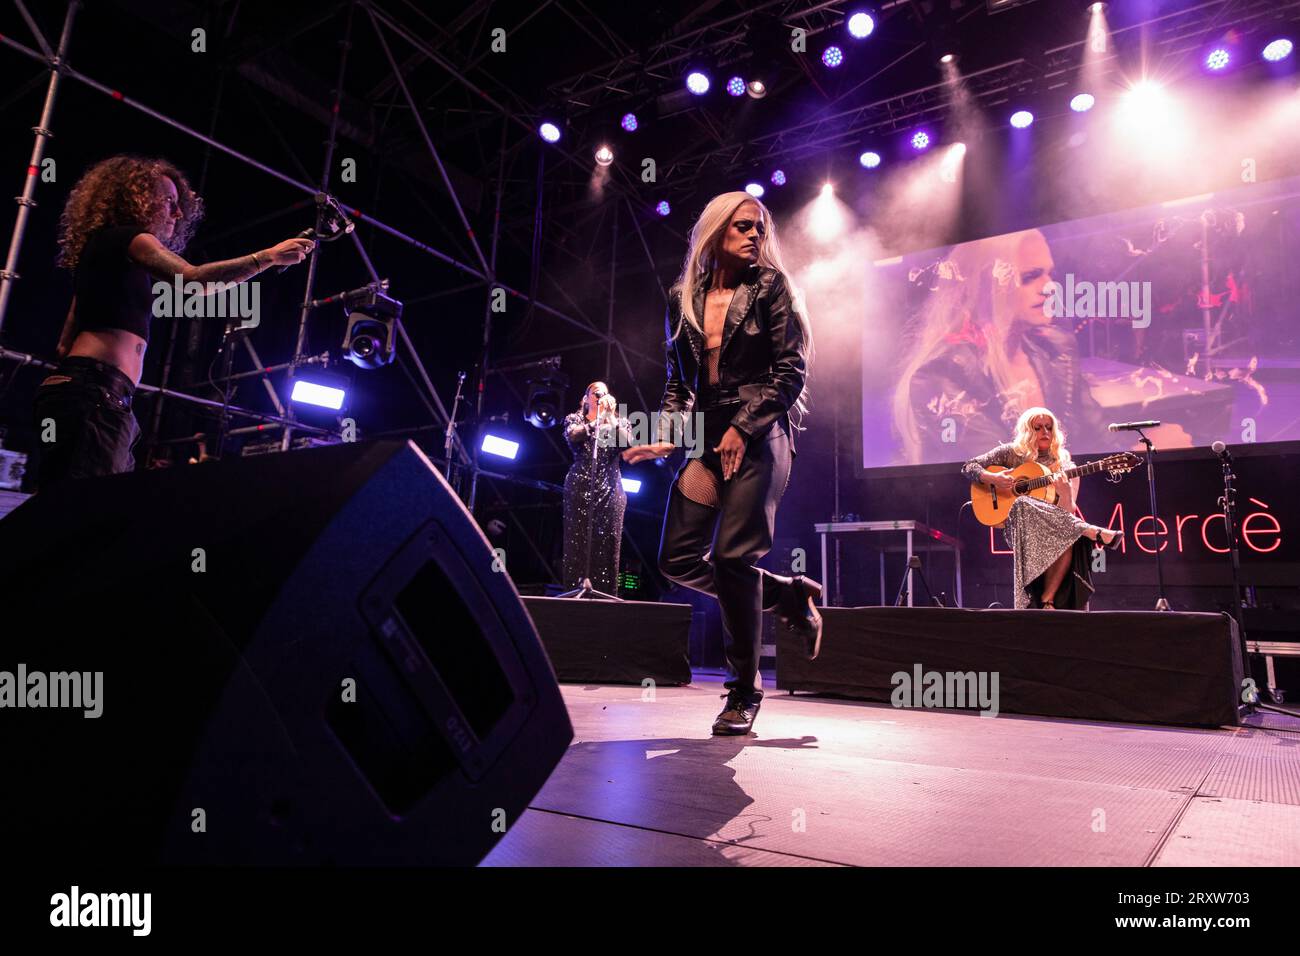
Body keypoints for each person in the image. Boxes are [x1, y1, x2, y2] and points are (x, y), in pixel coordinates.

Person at [623, 191, 818, 736]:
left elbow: (790, 372)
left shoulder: (771, 287)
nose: (755, 235)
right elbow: (679, 384)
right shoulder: (681, 296)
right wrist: (667, 435)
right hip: (706, 436)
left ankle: (743, 691)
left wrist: (741, 427)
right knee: (677, 559)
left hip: (760, 433)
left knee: (733, 557)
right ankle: (787, 594)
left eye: (759, 228)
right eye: (742, 227)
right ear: (715, 233)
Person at [32, 154, 314, 488]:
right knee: (81, 514)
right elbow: (193, 281)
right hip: (95, 392)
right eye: (169, 201)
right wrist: (267, 257)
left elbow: (65, 342)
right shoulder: (129, 237)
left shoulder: (103, 252)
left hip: (90, 393)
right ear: (136, 198)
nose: (177, 213)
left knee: (84, 512)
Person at [893, 229, 1107, 466]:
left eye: (1050, 274)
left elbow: (1102, 441)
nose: (1050, 287)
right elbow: (1001, 473)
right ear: (985, 288)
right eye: (1029, 277)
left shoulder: (1058, 348)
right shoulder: (941, 373)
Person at [962, 406, 1123, 610]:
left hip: (1054, 527)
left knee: (1067, 532)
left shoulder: (1065, 465)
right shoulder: (1011, 453)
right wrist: (993, 478)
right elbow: (969, 466)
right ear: (1027, 430)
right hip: (1020, 529)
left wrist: (1065, 493)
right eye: (1038, 427)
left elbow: (1067, 514)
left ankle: (1048, 599)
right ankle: (1090, 530)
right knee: (1022, 502)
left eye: (1049, 427)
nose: (1045, 432)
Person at [561, 381, 631, 595]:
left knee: (608, 541)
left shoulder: (620, 421)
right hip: (580, 486)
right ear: (586, 398)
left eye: (605, 392)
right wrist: (597, 421)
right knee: (578, 542)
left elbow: (626, 443)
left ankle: (607, 597)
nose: (600, 395)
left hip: (610, 488)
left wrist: (610, 418)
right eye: (595, 392)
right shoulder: (575, 419)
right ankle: (575, 592)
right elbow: (573, 436)